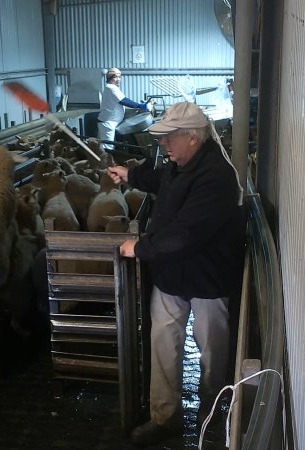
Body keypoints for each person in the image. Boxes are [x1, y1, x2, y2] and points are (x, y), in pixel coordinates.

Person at [107, 102, 246, 446]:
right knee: (164, 344)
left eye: (171, 138)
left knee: (212, 351)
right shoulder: (182, 164)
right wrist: (132, 175)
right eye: (163, 138)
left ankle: (213, 414)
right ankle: (164, 417)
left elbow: (186, 232)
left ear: (194, 138)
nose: (164, 145)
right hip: (172, 276)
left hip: (207, 279)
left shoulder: (216, 176)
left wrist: (139, 248)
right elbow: (165, 185)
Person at [97, 67, 151, 150]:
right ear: (109, 78)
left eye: (119, 77)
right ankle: (106, 162)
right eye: (115, 77)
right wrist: (140, 106)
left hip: (112, 121)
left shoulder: (113, 88)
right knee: (108, 147)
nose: (118, 79)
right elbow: (124, 101)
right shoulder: (111, 88)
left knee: (112, 145)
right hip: (108, 123)